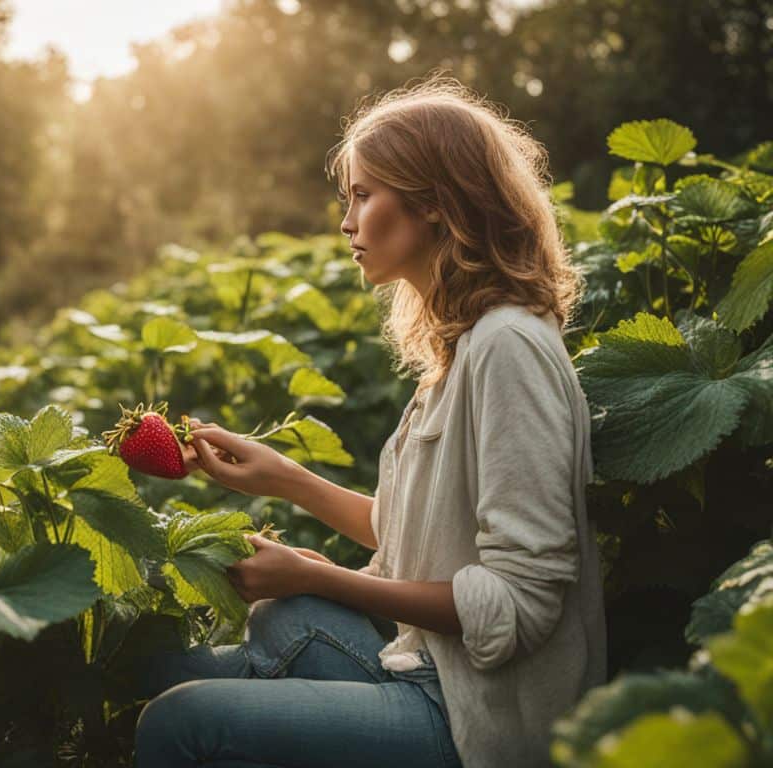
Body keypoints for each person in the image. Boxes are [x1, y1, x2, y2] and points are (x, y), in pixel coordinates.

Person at [131, 74, 607, 768]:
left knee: (180, 722)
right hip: (432, 674)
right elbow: (422, 535)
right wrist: (286, 480)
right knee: (277, 619)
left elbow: (518, 603)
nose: (347, 222)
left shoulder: (508, 348)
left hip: (481, 727)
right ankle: (52, 693)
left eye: (363, 195)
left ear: (437, 204)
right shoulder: (463, 345)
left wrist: (319, 577)